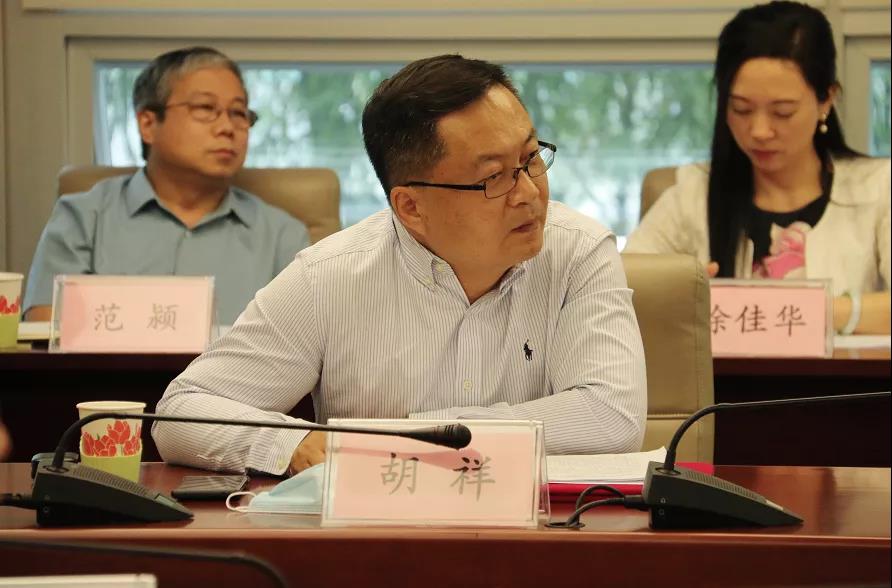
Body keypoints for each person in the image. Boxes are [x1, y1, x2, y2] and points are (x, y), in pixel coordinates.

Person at [153, 54, 647, 475]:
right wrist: (292, 444)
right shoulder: (330, 277)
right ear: (411, 207)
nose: (529, 193)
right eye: (494, 177)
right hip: (380, 532)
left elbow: (612, 416)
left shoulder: (579, 251)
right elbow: (181, 411)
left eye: (531, 158)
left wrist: (419, 436)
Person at [625, 1, 890, 335]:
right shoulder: (691, 194)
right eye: (741, 109)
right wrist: (678, 295)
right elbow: (621, 287)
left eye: (782, 112)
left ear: (826, 100)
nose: (760, 131)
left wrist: (814, 312)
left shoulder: (879, 188)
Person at [23, 47, 309, 325]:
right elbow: (46, 328)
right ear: (148, 124)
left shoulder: (283, 238)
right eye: (205, 108)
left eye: (238, 113)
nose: (227, 127)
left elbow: (304, 344)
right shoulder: (84, 218)